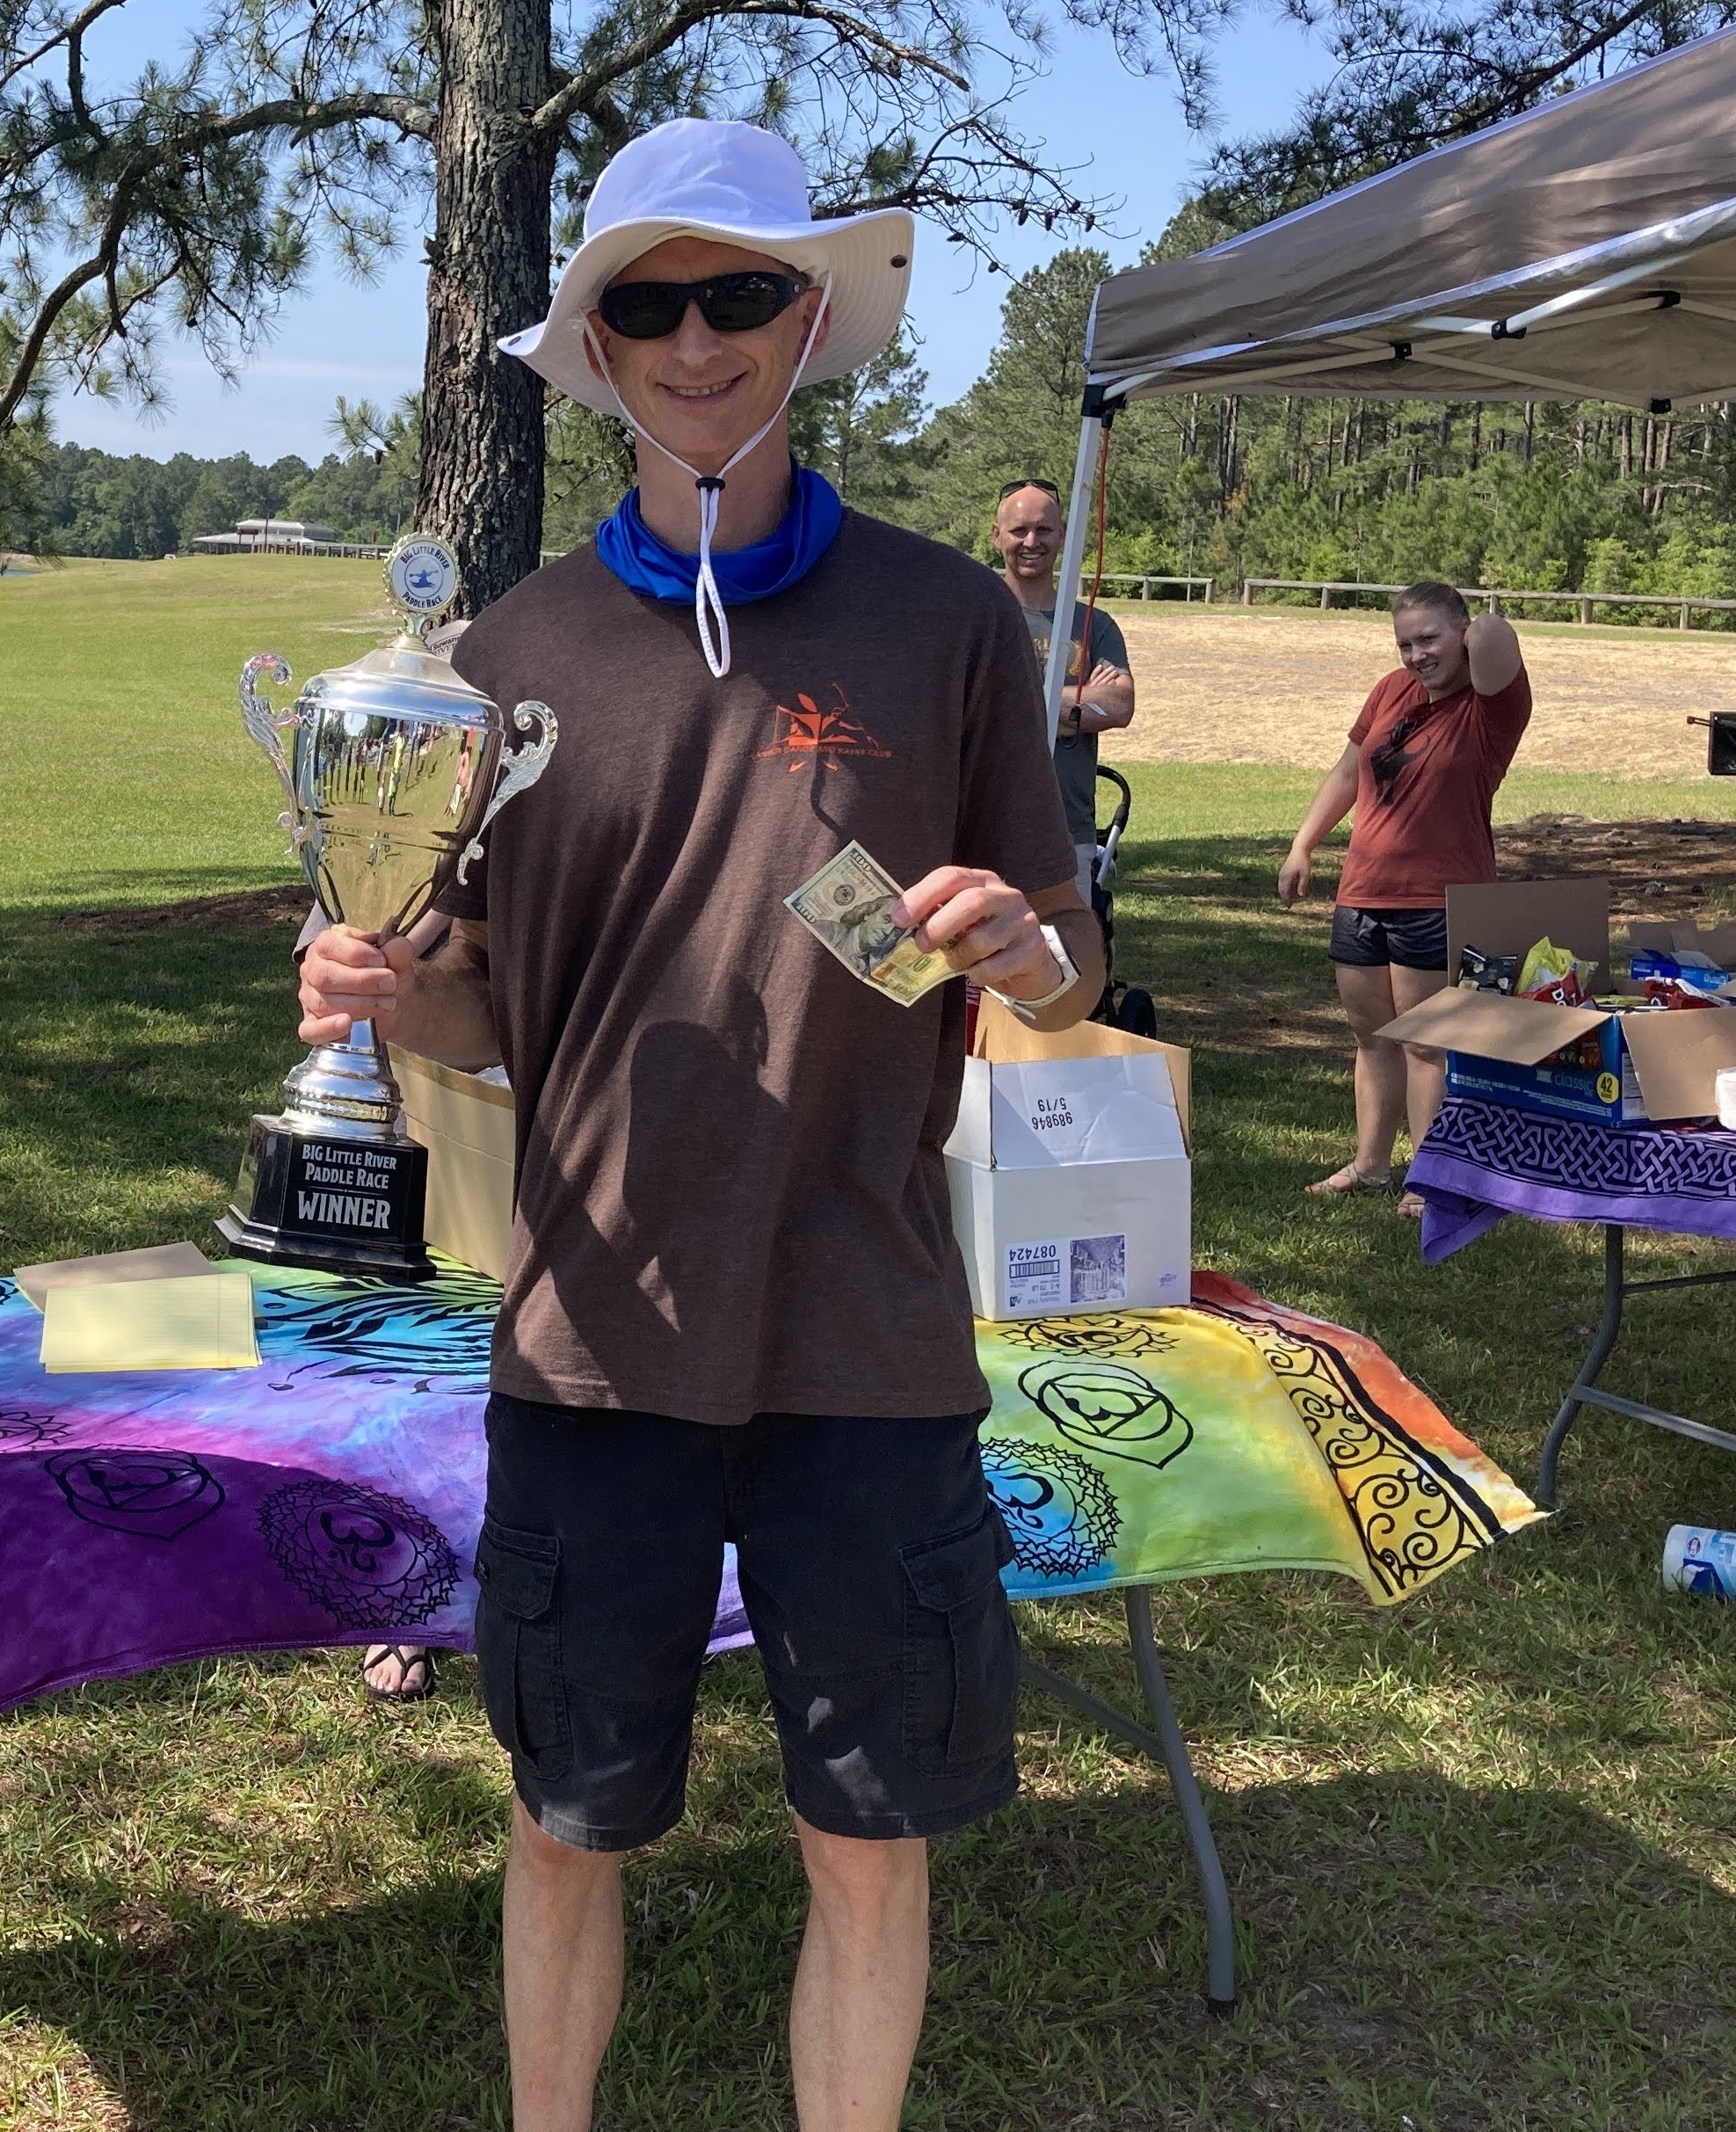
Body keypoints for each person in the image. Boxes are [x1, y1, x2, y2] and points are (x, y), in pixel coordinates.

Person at [298, 119, 1101, 2132]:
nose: (697, 338)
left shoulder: (949, 626)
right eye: (648, 302)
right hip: (591, 1338)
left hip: (869, 1339)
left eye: (740, 291)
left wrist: (1021, 950)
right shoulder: (511, 653)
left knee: (870, 1833)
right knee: (572, 1817)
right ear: (598, 341)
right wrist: (378, 996)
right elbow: (473, 996)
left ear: (809, 316)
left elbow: (1071, 971)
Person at [1275, 580, 1528, 1197]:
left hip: (1437, 898)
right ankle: (1370, 1167)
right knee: (1372, 1039)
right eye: (1405, 643)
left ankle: (1429, 1179)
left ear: (1462, 633)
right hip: (1362, 894)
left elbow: (1499, 639)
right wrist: (1303, 844)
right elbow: (1347, 771)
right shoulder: (1391, 691)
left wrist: (1471, 630)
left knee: (1426, 1046)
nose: (1417, 655)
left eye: (1430, 638)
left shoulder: (1492, 705)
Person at [990, 477, 1137, 878]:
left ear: (1064, 536)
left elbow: (1119, 705)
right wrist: (1078, 705)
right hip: (983, 824)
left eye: (1044, 529)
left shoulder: (1094, 624)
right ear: (996, 536)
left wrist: (1012, 704)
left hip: (1068, 831)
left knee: (1068, 940)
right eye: (1019, 530)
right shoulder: (976, 617)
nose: (1031, 541)